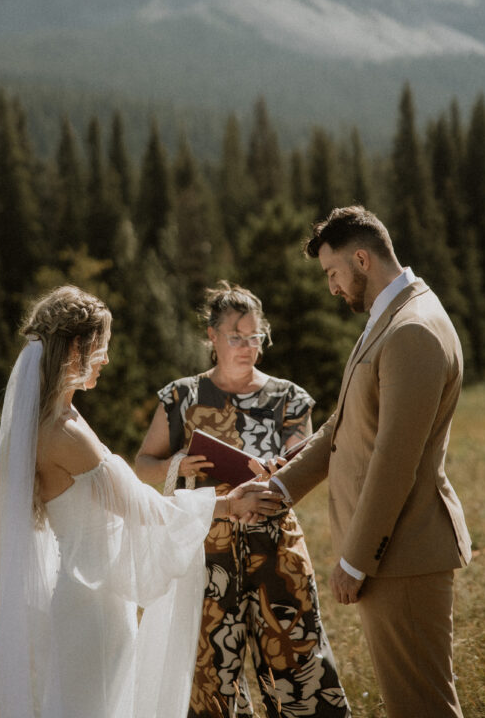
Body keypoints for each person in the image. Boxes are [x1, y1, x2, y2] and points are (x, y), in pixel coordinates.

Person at [0, 285, 281, 718]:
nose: (106, 358)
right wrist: (228, 505)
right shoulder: (65, 432)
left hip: (84, 592)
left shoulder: (52, 421)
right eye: (101, 347)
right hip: (94, 606)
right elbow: (141, 508)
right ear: (76, 348)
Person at [257, 206, 471, 718]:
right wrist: (281, 488)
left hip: (403, 554)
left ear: (361, 258)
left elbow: (394, 461)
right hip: (396, 557)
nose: (332, 287)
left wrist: (355, 559)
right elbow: (345, 424)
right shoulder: (391, 317)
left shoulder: (411, 331)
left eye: (333, 273)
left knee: (422, 706)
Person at [135, 281, 350, 718]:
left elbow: (303, 459)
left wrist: (280, 469)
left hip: (277, 551)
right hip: (204, 554)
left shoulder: (289, 398)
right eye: (236, 337)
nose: (248, 347)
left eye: (255, 337)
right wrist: (177, 465)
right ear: (212, 337)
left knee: (298, 662)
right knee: (211, 674)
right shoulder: (182, 396)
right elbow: (142, 463)